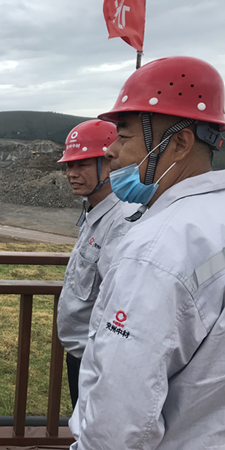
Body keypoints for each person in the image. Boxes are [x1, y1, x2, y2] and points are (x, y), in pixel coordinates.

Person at [70, 56, 225, 449]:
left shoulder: (156, 249)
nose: (111, 151)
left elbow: (120, 419)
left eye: (123, 137)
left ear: (179, 144)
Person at [56, 119, 138, 409]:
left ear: (109, 163)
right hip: (82, 355)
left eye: (82, 165)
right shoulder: (96, 212)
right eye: (69, 166)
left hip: (97, 362)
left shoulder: (121, 222)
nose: (72, 174)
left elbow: (119, 303)